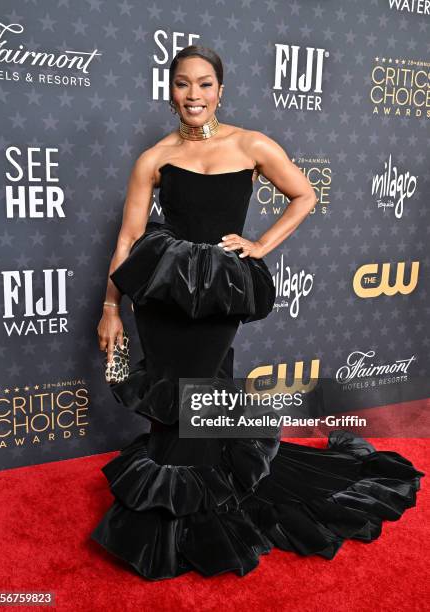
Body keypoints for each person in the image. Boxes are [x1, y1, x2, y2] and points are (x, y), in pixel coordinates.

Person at [91, 45, 424, 580]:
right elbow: (129, 238)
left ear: (220, 90)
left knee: (199, 388)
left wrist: (260, 245)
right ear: (169, 90)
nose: (193, 95)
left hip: (218, 290)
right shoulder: (153, 158)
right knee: (173, 394)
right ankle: (190, 510)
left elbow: (304, 195)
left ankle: (187, 522)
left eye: (204, 84)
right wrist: (111, 307)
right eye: (182, 84)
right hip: (164, 294)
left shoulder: (251, 144)